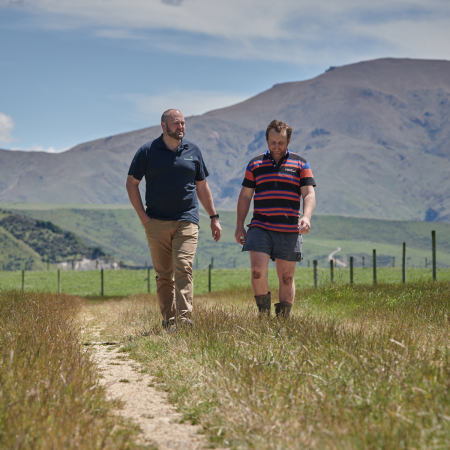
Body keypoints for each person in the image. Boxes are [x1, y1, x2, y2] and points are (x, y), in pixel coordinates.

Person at [126, 109, 222, 328]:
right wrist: (143, 217)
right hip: (156, 221)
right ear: (164, 126)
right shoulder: (147, 151)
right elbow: (132, 183)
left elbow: (202, 187)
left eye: (183, 123)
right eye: (176, 123)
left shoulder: (194, 151)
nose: (181, 127)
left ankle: (184, 319)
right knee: (163, 275)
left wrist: (213, 217)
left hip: (187, 219)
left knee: (183, 266)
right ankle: (169, 322)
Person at [235, 119, 316, 318]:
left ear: (288, 141)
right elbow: (246, 195)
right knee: (257, 271)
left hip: (289, 228)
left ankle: (282, 321)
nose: (276, 147)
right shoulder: (255, 164)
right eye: (272, 142)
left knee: (287, 277)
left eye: (281, 142)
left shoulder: (301, 163)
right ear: (267, 140)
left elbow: (309, 194)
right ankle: (264, 316)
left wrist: (306, 217)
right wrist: (239, 226)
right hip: (260, 226)